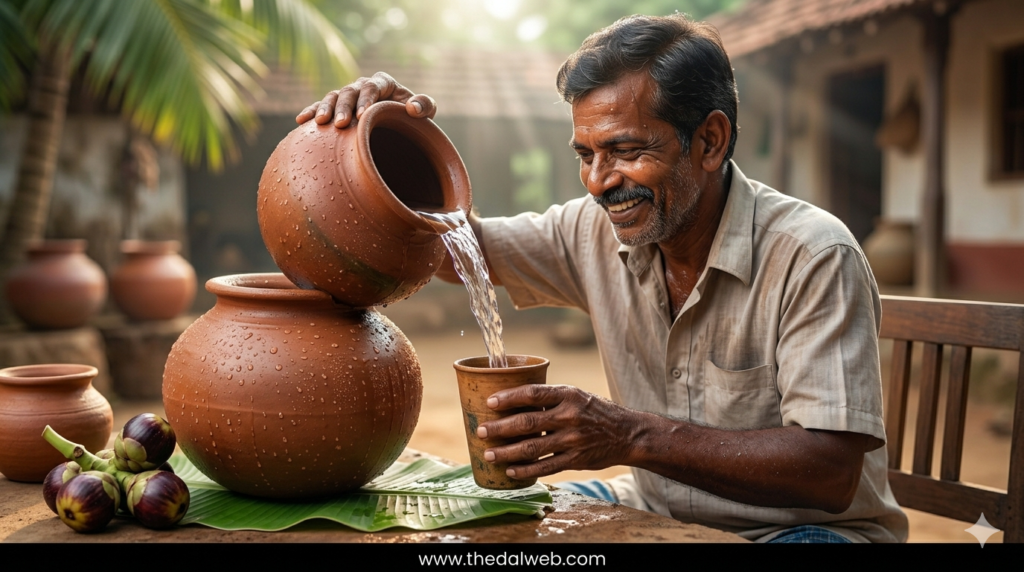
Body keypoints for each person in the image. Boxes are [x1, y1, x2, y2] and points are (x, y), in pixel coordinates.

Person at [296, 14, 908, 543]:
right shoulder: (595, 230)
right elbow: (457, 252)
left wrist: (628, 435)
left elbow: (830, 472)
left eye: (625, 150)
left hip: (803, 530)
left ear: (711, 141)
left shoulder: (812, 254)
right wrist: (390, 145)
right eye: (586, 155)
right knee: (474, 533)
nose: (598, 182)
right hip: (653, 508)